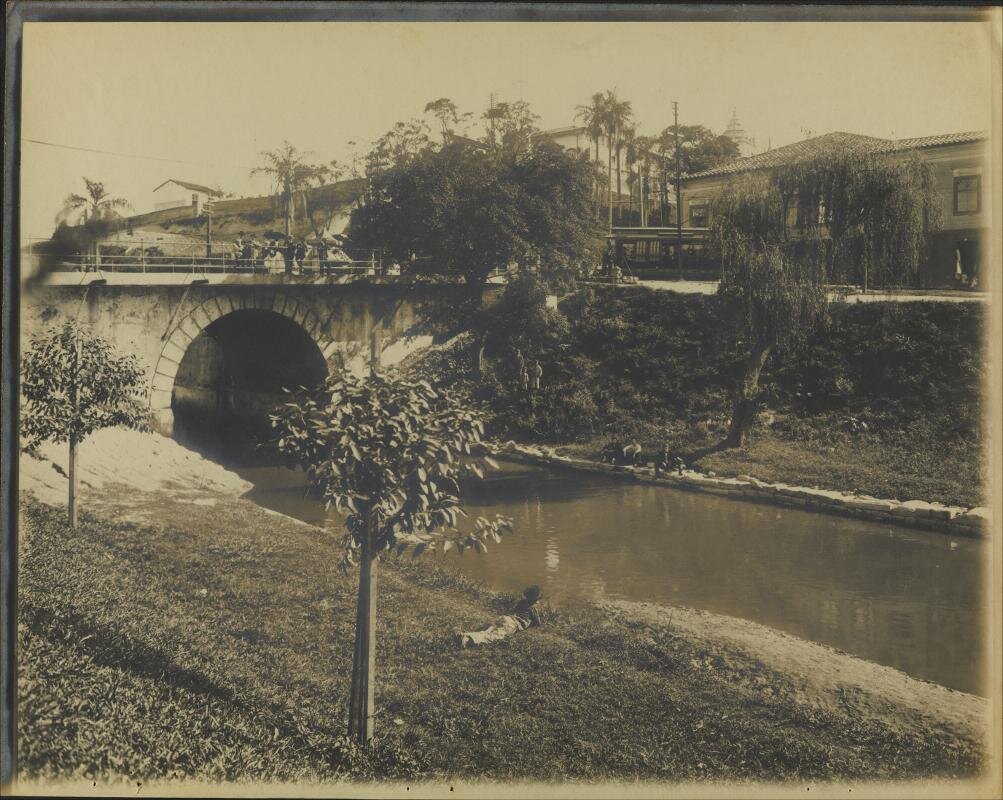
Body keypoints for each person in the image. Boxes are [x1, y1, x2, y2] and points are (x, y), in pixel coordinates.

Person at [456, 586, 543, 648]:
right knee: (495, 636)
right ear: (536, 601)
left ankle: (466, 634)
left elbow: (513, 611)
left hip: (505, 618)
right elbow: (538, 623)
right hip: (512, 624)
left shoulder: (521, 602)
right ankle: (467, 639)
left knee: (488, 629)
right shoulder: (533, 609)